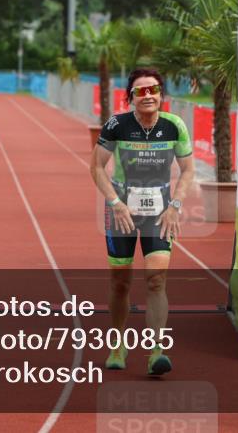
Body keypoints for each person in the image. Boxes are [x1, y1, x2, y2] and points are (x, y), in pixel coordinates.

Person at [89, 68, 194, 376]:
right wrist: (115, 203)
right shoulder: (117, 125)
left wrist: (175, 205)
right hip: (121, 212)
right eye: (140, 91)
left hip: (159, 213)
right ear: (131, 97)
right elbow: (96, 167)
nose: (148, 96)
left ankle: (157, 351)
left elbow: (187, 170)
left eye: (153, 90)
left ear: (161, 95)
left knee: (156, 280)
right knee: (120, 282)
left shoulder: (174, 126)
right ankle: (118, 345)